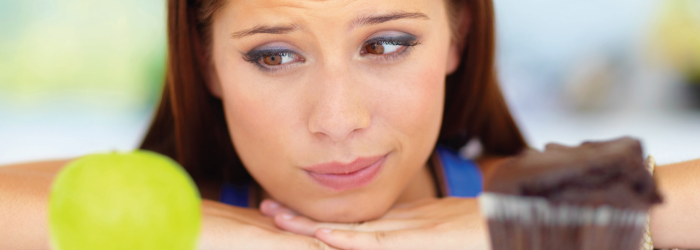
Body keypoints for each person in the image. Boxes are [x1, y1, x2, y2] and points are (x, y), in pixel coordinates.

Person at [1, 0, 699, 249]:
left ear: (456, 38)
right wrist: (209, 233)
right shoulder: (170, 214)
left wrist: (514, 222)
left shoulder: (518, 199)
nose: (338, 121)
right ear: (205, 62)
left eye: (388, 43)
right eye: (274, 55)